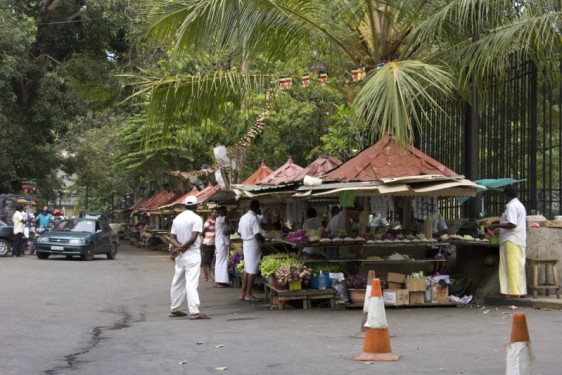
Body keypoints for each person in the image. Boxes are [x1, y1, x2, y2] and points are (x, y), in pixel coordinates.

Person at [168, 196, 211, 319]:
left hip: (181, 255)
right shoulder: (197, 218)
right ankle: (194, 311)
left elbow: (172, 238)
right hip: (192, 254)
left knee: (178, 281)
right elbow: (193, 238)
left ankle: (174, 309)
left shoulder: (177, 218)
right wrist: (181, 248)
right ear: (196, 206)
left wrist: (178, 248)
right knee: (191, 283)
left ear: (184, 205)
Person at [489, 186, 527, 298]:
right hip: (516, 239)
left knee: (512, 266)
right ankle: (519, 290)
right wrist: (499, 222)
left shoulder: (512, 206)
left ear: (506, 195)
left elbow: (512, 224)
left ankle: (513, 292)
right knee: (518, 265)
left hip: (512, 239)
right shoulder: (518, 205)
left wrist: (495, 225)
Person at [237, 199, 264, 302]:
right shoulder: (254, 218)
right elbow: (257, 234)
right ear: (257, 207)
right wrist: (263, 238)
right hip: (253, 244)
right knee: (252, 270)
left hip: (245, 243)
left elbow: (239, 232)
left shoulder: (243, 217)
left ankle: (242, 293)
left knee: (247, 269)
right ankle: (248, 294)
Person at [214, 206, 231, 287]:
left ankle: (222, 280)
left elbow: (231, 230)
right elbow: (229, 216)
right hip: (221, 243)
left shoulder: (226, 221)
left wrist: (229, 232)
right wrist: (236, 206)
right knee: (221, 261)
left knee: (223, 261)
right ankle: (219, 281)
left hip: (225, 242)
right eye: (223, 211)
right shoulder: (219, 219)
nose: (224, 213)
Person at [201, 207, 218, 282]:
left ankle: (206, 276)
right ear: (211, 213)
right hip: (208, 243)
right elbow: (203, 230)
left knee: (207, 260)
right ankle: (209, 277)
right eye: (214, 212)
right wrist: (206, 238)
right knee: (208, 261)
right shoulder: (209, 220)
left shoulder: (215, 220)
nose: (216, 214)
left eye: (217, 212)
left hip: (211, 243)